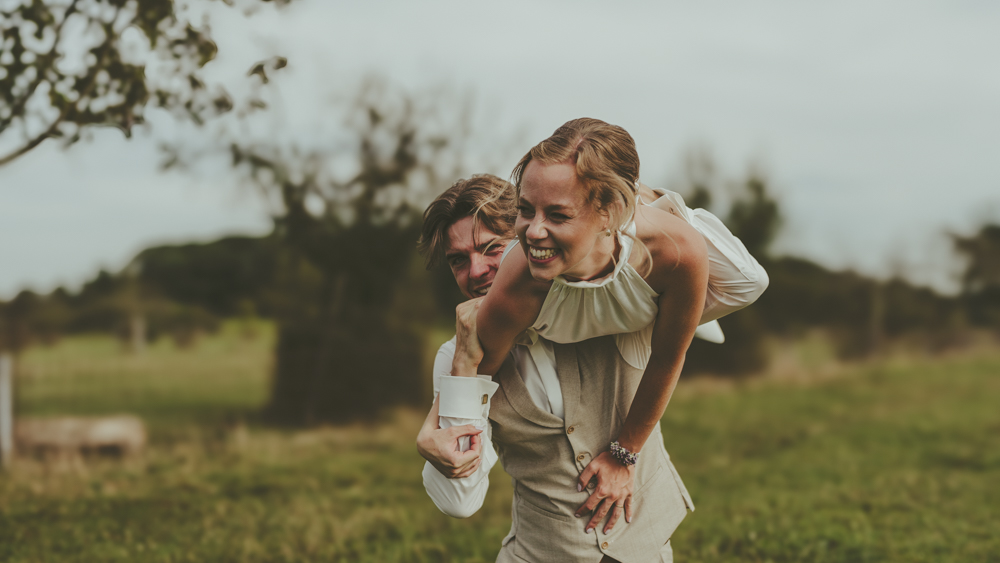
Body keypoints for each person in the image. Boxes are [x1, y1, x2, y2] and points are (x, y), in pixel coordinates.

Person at [417, 165, 767, 561]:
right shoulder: (454, 357)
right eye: (457, 260)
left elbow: (744, 281)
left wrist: (624, 202)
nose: (476, 272)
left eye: (492, 249)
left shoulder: (614, 302)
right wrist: (464, 368)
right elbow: (460, 502)